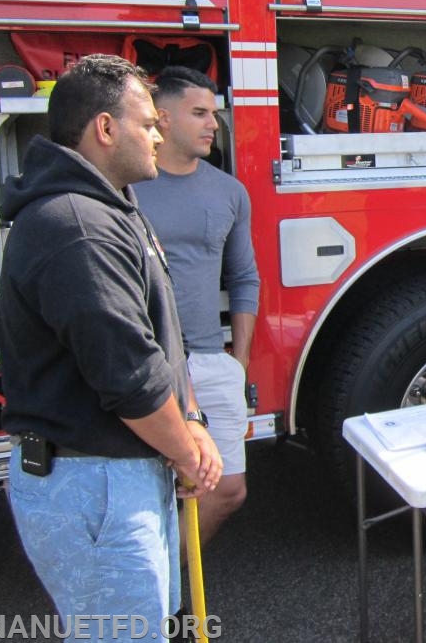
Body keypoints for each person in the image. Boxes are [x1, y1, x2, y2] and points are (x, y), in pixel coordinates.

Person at [0, 54, 221, 638]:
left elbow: (157, 340)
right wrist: (186, 451)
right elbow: (127, 374)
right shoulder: (76, 227)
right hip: (93, 483)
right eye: (147, 122)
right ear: (104, 128)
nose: (158, 134)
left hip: (121, 470)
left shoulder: (110, 209)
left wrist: (190, 421)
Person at [134, 66, 259, 547]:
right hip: (150, 362)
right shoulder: (127, 188)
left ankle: (176, 578)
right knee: (155, 485)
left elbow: (244, 277)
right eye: (200, 113)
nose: (213, 123)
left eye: (215, 113)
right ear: (162, 119)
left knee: (226, 489)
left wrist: (239, 362)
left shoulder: (228, 191)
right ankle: (159, 598)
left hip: (210, 359)